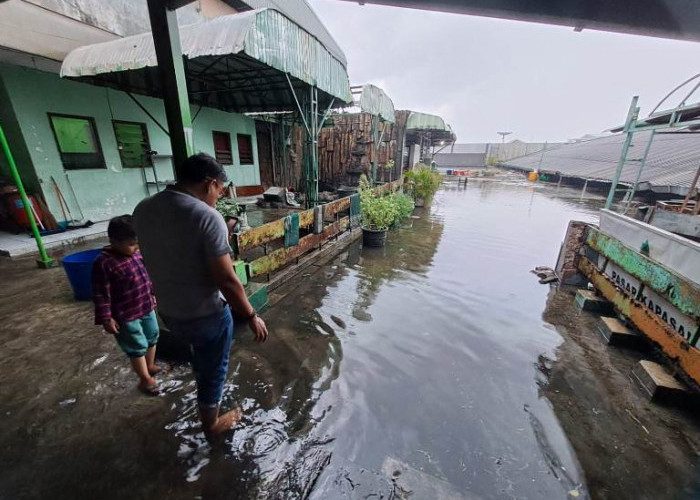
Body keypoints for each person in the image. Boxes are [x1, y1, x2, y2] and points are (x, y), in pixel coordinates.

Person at [133, 152, 268, 438]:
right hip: (205, 314)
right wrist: (251, 315)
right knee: (213, 370)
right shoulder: (207, 217)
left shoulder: (143, 208)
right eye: (220, 189)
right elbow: (227, 280)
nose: (220, 196)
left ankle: (203, 386)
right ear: (209, 183)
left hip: (169, 311)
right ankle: (212, 425)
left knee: (200, 355)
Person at [92, 215, 162, 395]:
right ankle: (145, 379)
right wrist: (106, 318)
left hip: (146, 306)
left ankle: (151, 365)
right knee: (137, 345)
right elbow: (100, 293)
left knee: (153, 335)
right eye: (132, 244)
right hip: (126, 314)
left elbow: (146, 277)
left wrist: (153, 294)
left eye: (138, 243)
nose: (136, 247)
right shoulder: (104, 263)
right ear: (113, 241)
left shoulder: (137, 254)